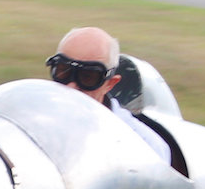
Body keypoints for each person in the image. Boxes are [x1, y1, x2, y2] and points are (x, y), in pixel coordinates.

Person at [45, 26, 171, 164]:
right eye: (63, 71)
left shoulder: (143, 146)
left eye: (87, 77)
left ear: (110, 84)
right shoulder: (32, 118)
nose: (71, 86)